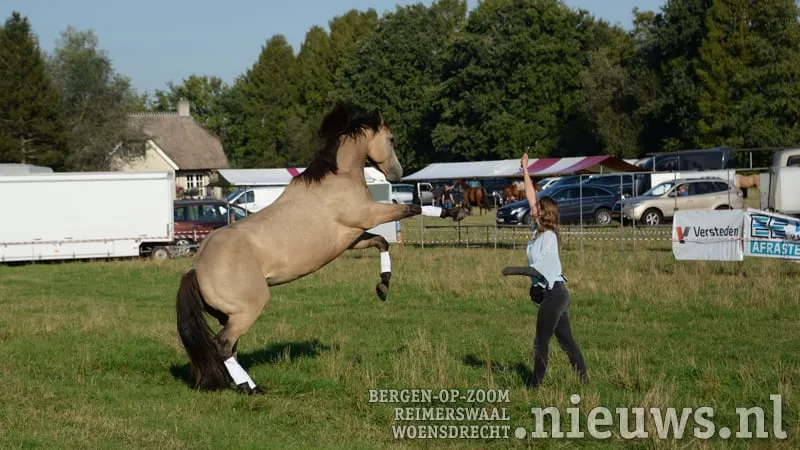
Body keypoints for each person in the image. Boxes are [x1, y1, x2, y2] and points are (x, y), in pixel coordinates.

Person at [519, 152, 588, 388]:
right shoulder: (537, 232)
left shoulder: (548, 237)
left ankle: (533, 385)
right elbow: (530, 194)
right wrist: (525, 169)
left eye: (537, 206)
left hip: (555, 294)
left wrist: (526, 274)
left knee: (541, 341)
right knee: (566, 340)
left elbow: (544, 267)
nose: (533, 205)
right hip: (551, 293)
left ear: (543, 212)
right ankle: (584, 380)